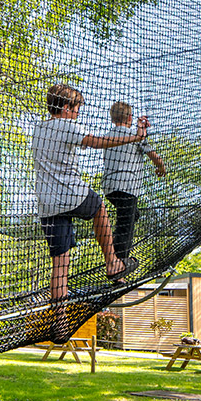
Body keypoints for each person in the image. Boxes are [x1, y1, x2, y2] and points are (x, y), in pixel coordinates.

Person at [31, 84, 147, 343]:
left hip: (47, 205)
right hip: (70, 193)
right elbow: (98, 142)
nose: (77, 114)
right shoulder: (65, 125)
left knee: (60, 267)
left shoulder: (39, 129)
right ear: (65, 108)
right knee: (99, 207)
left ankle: (59, 324)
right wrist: (135, 137)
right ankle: (113, 263)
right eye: (76, 109)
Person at [102, 101, 166, 261]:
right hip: (127, 186)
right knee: (126, 225)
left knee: (130, 215)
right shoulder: (134, 138)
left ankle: (116, 252)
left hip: (110, 188)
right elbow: (154, 156)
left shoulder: (108, 136)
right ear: (130, 117)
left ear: (112, 118)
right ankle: (120, 261)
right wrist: (161, 168)